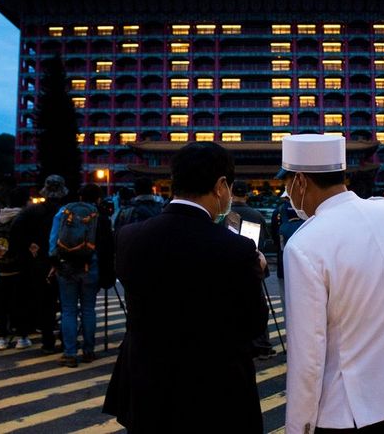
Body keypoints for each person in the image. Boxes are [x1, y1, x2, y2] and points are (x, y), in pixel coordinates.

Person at [103, 142, 268, 432]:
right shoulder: (237, 250)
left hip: (146, 385)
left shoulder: (129, 237)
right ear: (220, 186)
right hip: (215, 390)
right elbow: (253, 324)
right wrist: (257, 271)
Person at [281, 134, 384, 433]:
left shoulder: (305, 243)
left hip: (343, 409)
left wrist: (299, 425)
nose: (287, 192)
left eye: (287, 184)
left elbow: (308, 352)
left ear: (300, 181)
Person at [49, 183, 114, 367]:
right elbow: (106, 247)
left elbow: (53, 240)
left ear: (79, 197)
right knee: (88, 309)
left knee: (68, 310)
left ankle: (69, 353)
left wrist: (54, 262)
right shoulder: (100, 216)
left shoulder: (64, 211)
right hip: (90, 267)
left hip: (66, 267)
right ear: (98, 198)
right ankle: (88, 350)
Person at [10, 174, 68, 354]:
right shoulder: (67, 211)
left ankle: (47, 340)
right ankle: (67, 340)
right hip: (64, 261)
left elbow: (15, 232)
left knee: (44, 302)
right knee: (67, 304)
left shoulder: (32, 211)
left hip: (38, 262)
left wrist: (28, 249)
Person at [228, 179, 276, 360]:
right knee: (258, 304)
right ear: (246, 194)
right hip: (254, 265)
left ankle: (239, 342)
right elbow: (263, 242)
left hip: (230, 268)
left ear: (231, 193)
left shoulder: (224, 214)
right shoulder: (256, 215)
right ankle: (262, 345)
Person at [0, 187, 32, 350]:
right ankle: (21, 336)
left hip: (2, 267)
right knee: (20, 301)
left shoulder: (0, 217)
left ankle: (1, 337)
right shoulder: (23, 217)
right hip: (19, 266)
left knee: (3, 303)